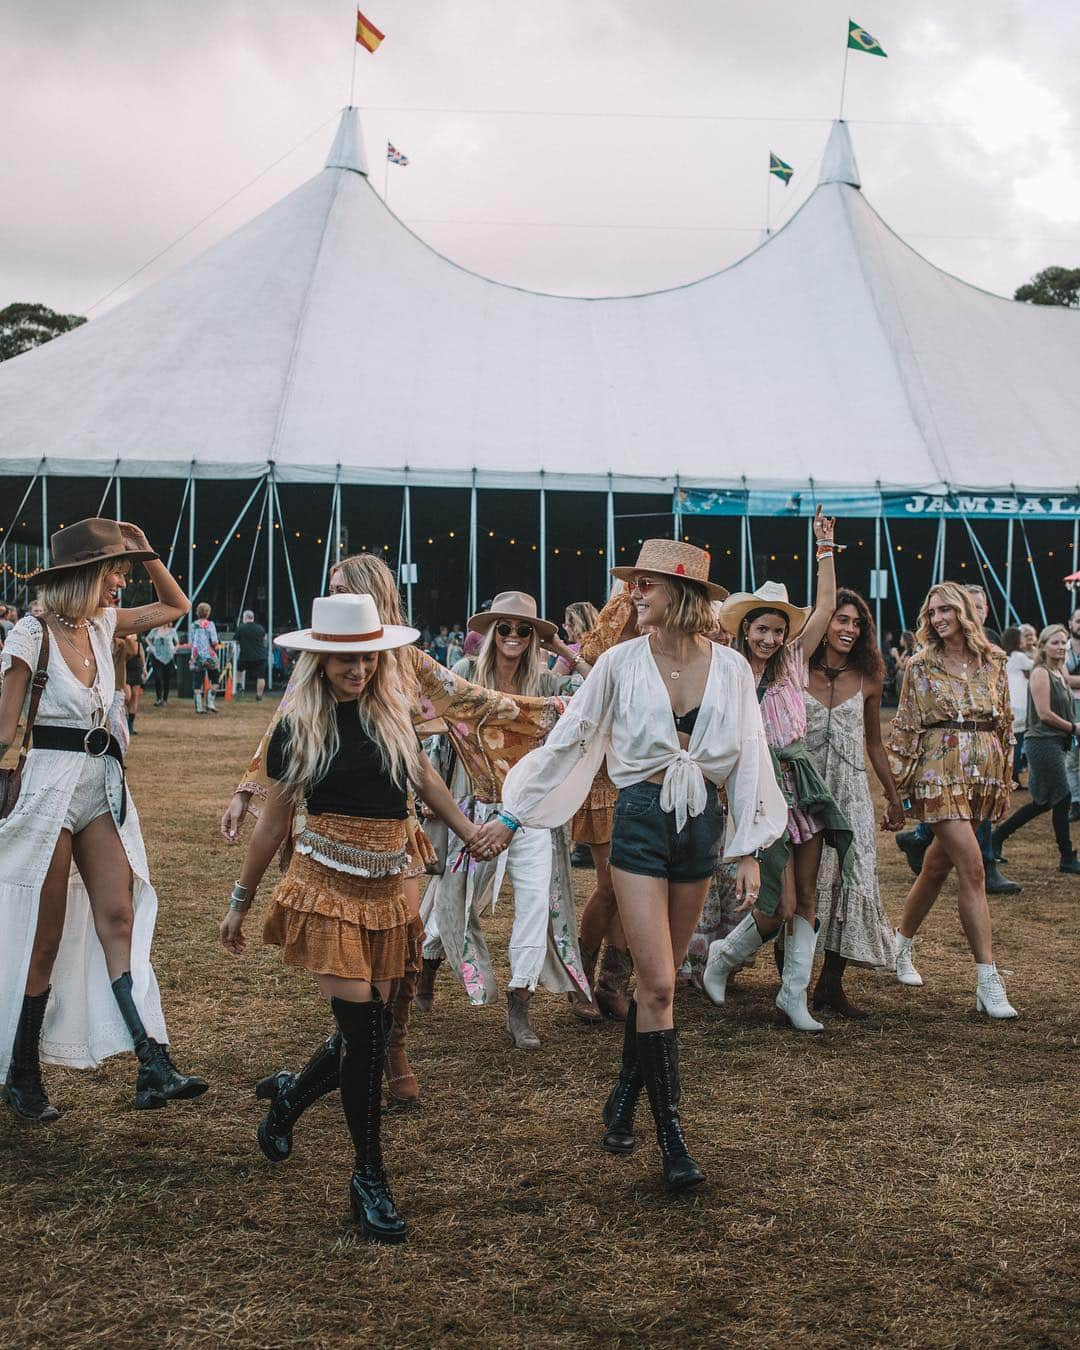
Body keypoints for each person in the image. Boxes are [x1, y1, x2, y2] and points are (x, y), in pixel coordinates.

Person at [483, 540, 786, 1192]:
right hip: (642, 822)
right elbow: (568, 742)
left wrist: (748, 849)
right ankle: (673, 1136)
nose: (633, 594)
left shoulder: (732, 670)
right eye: (633, 584)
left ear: (679, 595)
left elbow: (751, 757)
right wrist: (513, 816)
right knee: (657, 982)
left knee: (659, 988)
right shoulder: (618, 664)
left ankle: (623, 1097)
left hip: (701, 827)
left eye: (645, 585)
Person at [221, 553, 570, 1108]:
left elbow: (478, 704)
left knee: (398, 956)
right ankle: (366, 1060)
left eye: (340, 588)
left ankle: (393, 1053)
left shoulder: (406, 661)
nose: (331, 596)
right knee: (356, 976)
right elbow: (286, 730)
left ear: (368, 592)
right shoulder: (326, 658)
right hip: (337, 831)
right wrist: (248, 788)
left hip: (398, 827)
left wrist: (561, 710)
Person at [219, 593, 489, 1243]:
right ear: (319, 658)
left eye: (367, 655)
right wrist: (240, 902)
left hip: (389, 878)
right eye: (344, 657)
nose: (358, 668)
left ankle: (288, 1098)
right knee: (364, 1029)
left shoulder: (393, 712)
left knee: (364, 1030)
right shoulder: (298, 726)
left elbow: (424, 780)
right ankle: (369, 1178)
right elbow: (274, 823)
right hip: (325, 883)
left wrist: (468, 830)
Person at [0, 517, 206, 1123]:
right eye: (114, 569)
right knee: (46, 935)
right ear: (84, 574)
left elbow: (176, 605)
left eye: (122, 570)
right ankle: (22, 1071)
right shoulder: (30, 637)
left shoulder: (104, 624)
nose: (121, 581)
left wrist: (145, 551)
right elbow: (4, 728)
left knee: (118, 915)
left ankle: (151, 1062)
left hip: (101, 786)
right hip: (46, 789)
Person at [703, 508, 854, 1034]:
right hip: (758, 790)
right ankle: (722, 957)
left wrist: (825, 547)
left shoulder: (793, 662)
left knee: (807, 897)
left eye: (776, 630)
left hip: (800, 783)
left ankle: (793, 998)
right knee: (778, 903)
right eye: (761, 629)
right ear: (745, 629)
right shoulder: (727, 668)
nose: (769, 638)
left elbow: (828, 605)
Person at [421, 591, 588, 1050]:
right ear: (492, 632)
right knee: (454, 900)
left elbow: (595, 693)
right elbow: (432, 732)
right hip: (476, 809)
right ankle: (428, 967)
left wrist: (560, 649)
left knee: (535, 907)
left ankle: (520, 1003)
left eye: (524, 629)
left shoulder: (548, 684)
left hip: (532, 816)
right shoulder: (463, 676)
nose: (514, 636)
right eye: (506, 628)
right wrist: (436, 803)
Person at [886, 582, 1018, 1018]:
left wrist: (1004, 784)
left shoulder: (995, 662)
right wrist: (897, 793)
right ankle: (988, 979)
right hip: (937, 773)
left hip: (981, 777)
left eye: (946, 610)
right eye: (933, 611)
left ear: (966, 612)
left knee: (935, 866)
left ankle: (899, 944)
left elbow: (1005, 728)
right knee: (974, 867)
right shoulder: (921, 665)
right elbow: (905, 728)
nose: (939, 618)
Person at [804, 589, 903, 1017]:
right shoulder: (796, 670)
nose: (849, 628)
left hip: (850, 791)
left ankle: (831, 983)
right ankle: (792, 982)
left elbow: (875, 743)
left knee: (852, 877)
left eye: (856, 623)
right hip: (803, 790)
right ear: (823, 623)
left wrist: (894, 797)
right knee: (800, 884)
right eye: (841, 619)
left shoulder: (868, 678)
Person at [543, 590, 637, 1023]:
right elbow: (595, 681)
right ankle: (579, 979)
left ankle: (613, 984)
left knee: (633, 890)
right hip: (604, 777)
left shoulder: (670, 640)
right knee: (612, 884)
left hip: (643, 776)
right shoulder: (611, 636)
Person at [991, 625, 1080, 876]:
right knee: (1062, 797)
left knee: (1042, 802)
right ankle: (1066, 856)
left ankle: (997, 838)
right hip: (1042, 743)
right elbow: (1045, 715)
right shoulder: (1041, 672)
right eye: (1055, 643)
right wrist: (1074, 728)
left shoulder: (1060, 670)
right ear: (1042, 646)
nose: (1061, 647)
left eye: (1064, 643)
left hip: (1055, 741)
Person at [1003, 626, 1034, 788]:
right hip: (1020, 705)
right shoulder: (1019, 656)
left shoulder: (1006, 657)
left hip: (1010, 703)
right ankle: (1014, 778)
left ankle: (1010, 776)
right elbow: (1036, 664)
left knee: (1010, 743)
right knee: (1017, 742)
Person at [189, 602, 220, 714]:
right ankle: (210, 702)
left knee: (197, 681)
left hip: (196, 655)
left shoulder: (193, 625)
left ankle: (198, 707)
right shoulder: (210, 624)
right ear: (208, 613)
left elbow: (191, 640)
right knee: (215, 677)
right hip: (209, 655)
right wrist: (217, 646)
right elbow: (214, 641)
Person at [235, 609, 268, 701]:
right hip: (260, 656)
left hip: (245, 656)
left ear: (244, 618)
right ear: (253, 618)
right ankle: (259, 696)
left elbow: (236, 641)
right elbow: (264, 639)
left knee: (239, 670)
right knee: (261, 677)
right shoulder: (260, 628)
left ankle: (239, 686)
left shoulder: (241, 628)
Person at [1067, 607, 1080, 822]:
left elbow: (1067, 678)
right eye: (1078, 620)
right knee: (1070, 759)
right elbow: (1063, 680)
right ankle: (1076, 802)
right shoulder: (1063, 647)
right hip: (1067, 707)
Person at [147, 619, 179, 706]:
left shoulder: (172, 631)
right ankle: (158, 698)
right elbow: (148, 639)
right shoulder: (155, 630)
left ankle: (165, 699)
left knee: (166, 678)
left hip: (168, 656)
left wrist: (174, 649)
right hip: (156, 656)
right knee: (157, 676)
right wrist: (151, 647)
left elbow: (177, 643)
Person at [124, 633, 147, 736]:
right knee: (127, 696)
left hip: (136, 668)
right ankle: (124, 718)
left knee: (135, 696)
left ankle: (130, 724)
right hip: (125, 669)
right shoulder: (122, 638)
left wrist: (144, 668)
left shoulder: (138, 640)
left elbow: (141, 654)